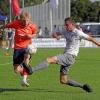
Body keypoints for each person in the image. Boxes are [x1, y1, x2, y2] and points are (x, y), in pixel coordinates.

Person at [30, 17, 100, 92]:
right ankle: (83, 86)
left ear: (72, 24)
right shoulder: (65, 30)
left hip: (70, 56)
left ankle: (31, 70)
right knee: (63, 80)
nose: (65, 26)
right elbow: (54, 34)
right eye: (65, 25)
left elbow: (91, 39)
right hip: (67, 56)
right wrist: (56, 36)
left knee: (49, 59)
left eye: (67, 25)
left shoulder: (78, 32)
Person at [0, 10, 37, 86]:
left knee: (27, 57)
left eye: (27, 20)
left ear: (29, 19)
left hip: (27, 47)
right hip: (17, 49)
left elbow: (35, 33)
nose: (25, 22)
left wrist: (30, 36)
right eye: (23, 21)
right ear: (20, 19)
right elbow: (6, 26)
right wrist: (2, 28)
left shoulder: (32, 26)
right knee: (16, 70)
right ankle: (24, 71)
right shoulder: (16, 23)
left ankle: (26, 70)